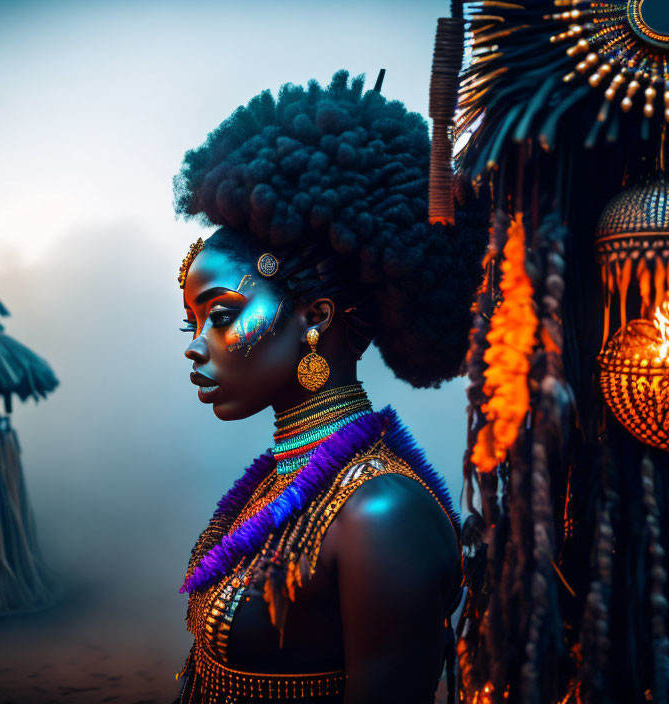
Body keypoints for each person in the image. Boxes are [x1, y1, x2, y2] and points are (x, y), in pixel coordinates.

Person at [173, 71, 486, 703]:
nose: (196, 343)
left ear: (314, 318)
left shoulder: (382, 513)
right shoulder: (280, 480)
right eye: (193, 321)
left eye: (222, 315)